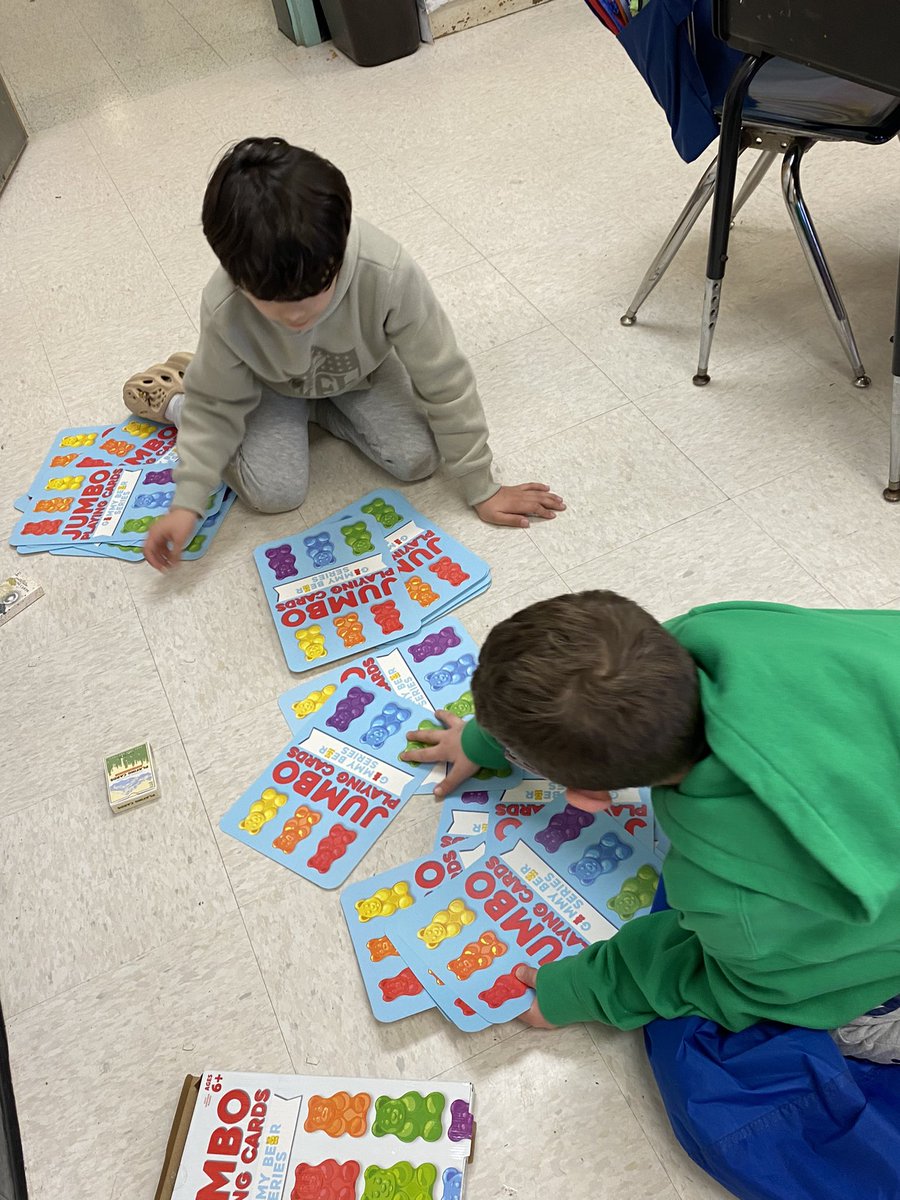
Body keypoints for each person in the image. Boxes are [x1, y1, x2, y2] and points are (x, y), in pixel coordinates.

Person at [401, 591, 900, 1064]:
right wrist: (486, 742)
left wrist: (587, 987)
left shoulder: (732, 892)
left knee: (843, 1026)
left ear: (587, 798)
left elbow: (750, 985)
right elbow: (587, 687)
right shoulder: (725, 630)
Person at [123, 137, 564, 571]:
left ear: (340, 247)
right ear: (236, 279)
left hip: (359, 372)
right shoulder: (224, 307)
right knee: (276, 494)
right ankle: (177, 398)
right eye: (272, 302)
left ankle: (317, 409)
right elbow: (216, 409)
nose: (299, 316)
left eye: (316, 292)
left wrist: (481, 486)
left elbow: (444, 377)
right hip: (267, 386)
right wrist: (187, 504)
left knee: (418, 460)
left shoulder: (387, 271)